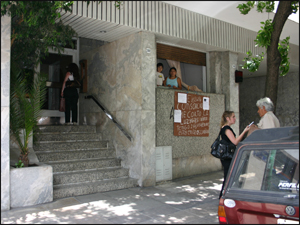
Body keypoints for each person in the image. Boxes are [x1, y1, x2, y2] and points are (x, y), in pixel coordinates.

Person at [219, 111, 251, 199]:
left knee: (229, 175)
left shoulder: (225, 128)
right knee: (228, 175)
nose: (235, 118)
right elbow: (235, 142)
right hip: (227, 156)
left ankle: (224, 195)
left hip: (227, 155)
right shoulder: (226, 129)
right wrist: (244, 131)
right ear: (227, 118)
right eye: (233, 117)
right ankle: (224, 195)